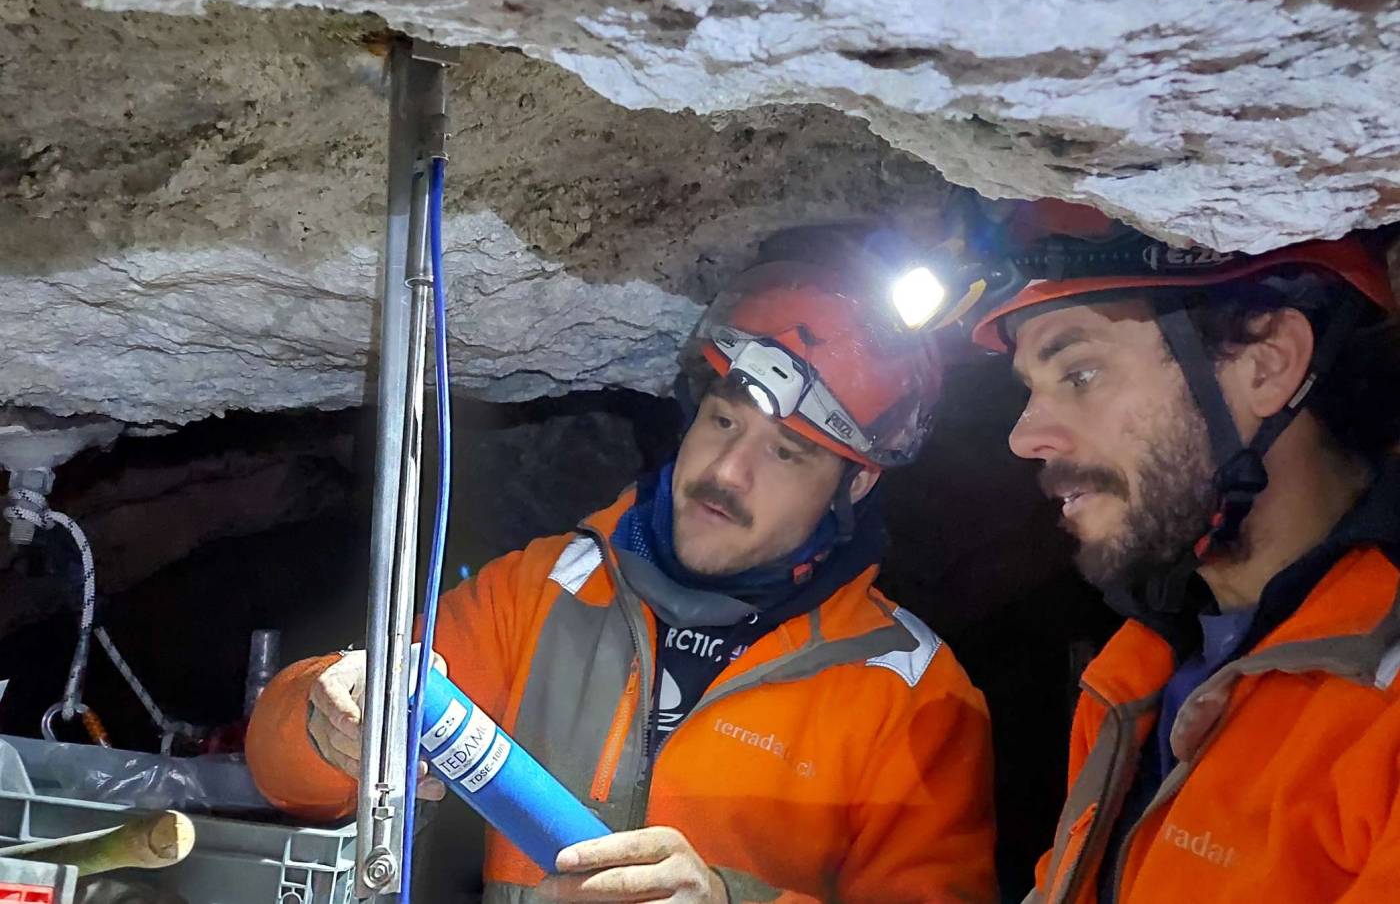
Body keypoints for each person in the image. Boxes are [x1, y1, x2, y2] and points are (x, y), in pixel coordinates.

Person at [247, 227, 998, 903]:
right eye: (723, 420)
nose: (728, 472)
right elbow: (283, 774)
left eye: (786, 452)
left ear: (855, 483)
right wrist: (327, 719)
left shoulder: (912, 695)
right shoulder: (543, 589)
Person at [971, 206, 1400, 903]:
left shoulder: (1382, 710)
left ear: (1266, 365)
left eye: (1079, 374)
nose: (1025, 436)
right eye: (1030, 389)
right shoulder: (1134, 677)